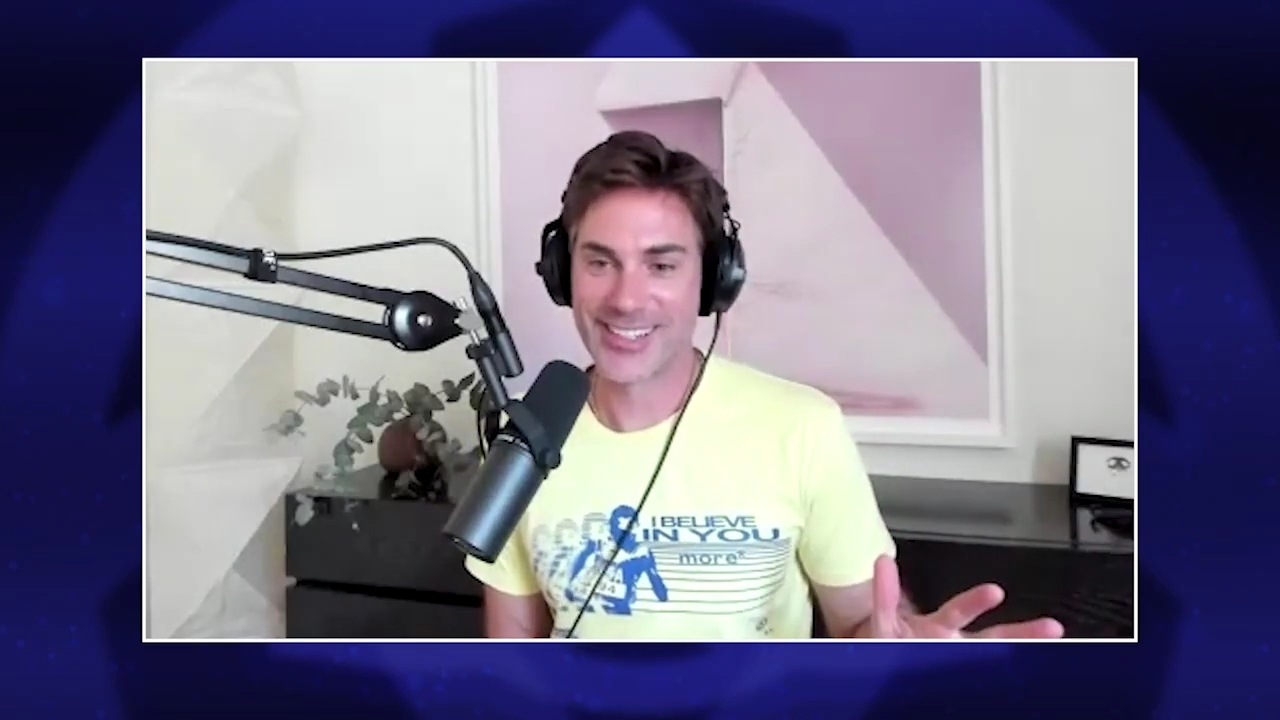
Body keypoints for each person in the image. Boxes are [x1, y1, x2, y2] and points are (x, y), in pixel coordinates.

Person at [464, 130, 1065, 641]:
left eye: (662, 265)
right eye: (600, 262)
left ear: (713, 281)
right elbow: (513, 661)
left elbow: (865, 624)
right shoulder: (526, 440)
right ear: (563, 273)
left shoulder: (802, 428)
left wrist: (900, 649)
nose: (626, 298)